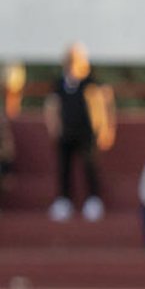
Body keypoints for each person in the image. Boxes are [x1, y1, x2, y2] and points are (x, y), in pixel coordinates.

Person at [43, 42, 116, 222]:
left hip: (87, 132)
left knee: (90, 166)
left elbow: (104, 105)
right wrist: (54, 127)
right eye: (70, 59)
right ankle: (64, 200)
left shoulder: (92, 82)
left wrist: (105, 129)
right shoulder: (60, 82)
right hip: (66, 132)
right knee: (64, 167)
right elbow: (52, 105)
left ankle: (93, 200)